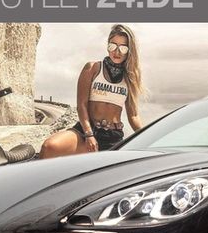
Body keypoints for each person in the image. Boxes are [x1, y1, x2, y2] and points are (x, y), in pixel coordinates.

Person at [39, 24, 144, 158]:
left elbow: (133, 116)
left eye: (123, 48)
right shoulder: (92, 68)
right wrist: (89, 134)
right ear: (107, 45)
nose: (117, 52)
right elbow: (81, 105)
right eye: (113, 46)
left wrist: (150, 138)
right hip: (86, 130)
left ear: (129, 50)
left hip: (113, 137)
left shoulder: (130, 77)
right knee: (49, 146)